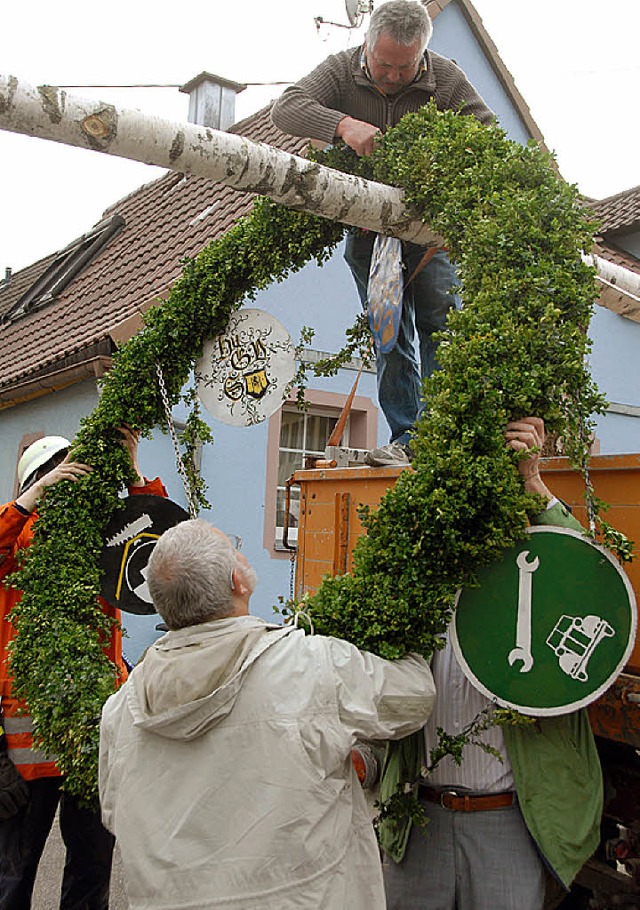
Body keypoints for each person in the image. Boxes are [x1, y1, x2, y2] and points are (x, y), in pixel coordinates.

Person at [98, 521, 436, 910]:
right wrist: (398, 632)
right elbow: (413, 698)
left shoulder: (122, 708)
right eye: (235, 547)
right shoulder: (310, 665)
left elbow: (114, 812)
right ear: (238, 581)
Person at [380, 417, 603, 910]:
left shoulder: (535, 586)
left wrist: (532, 481)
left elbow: (590, 576)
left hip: (507, 822)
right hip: (420, 820)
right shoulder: (418, 585)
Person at [271, 0, 494, 467]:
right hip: (369, 232)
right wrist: (341, 124)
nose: (392, 75)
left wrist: (446, 167)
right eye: (384, 64)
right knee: (388, 335)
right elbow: (286, 108)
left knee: (442, 326)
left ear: (423, 55)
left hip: (429, 234)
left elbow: (487, 135)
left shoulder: (447, 79)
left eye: (404, 67)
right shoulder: (338, 70)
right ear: (367, 45)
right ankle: (408, 436)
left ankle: (443, 432)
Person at [0, 428, 167, 910]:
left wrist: (134, 474)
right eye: (57, 476)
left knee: (91, 874)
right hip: (22, 761)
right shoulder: (18, 546)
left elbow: (163, 546)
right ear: (36, 483)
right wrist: (29, 501)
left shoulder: (101, 543)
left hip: (95, 742)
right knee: (12, 879)